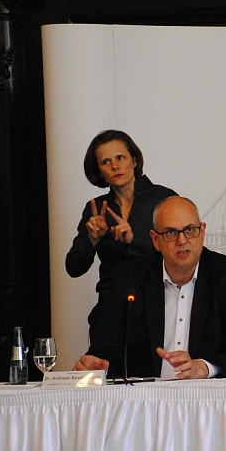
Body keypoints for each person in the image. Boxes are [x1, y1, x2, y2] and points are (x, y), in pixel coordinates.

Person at [73, 196, 226, 379]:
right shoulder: (128, 278)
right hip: (145, 403)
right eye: (171, 232)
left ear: (202, 232)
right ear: (155, 240)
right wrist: (100, 367)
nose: (182, 240)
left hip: (209, 402)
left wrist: (203, 367)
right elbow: (107, 350)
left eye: (190, 230)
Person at [65, 130, 177, 331]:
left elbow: (179, 255)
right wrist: (92, 240)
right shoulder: (96, 208)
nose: (115, 166)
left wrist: (134, 240)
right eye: (105, 162)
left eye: (120, 158)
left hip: (159, 309)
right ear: (100, 172)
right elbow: (73, 268)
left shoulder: (164, 199)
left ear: (134, 161)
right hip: (110, 311)